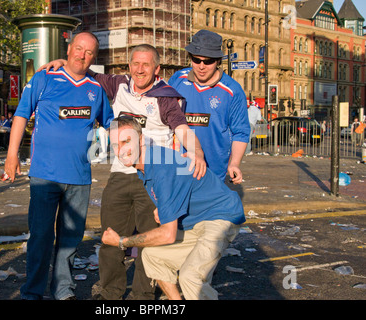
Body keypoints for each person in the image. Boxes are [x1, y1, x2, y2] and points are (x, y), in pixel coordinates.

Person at [39, 43, 206, 300]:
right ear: (129, 66)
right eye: (135, 64)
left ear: (156, 68)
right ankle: (110, 295)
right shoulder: (118, 84)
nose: (140, 70)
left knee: (150, 243)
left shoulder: (165, 97)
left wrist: (196, 152)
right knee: (109, 239)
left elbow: (183, 129)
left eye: (146, 64)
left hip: (151, 178)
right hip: (119, 175)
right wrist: (64, 60)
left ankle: (142, 296)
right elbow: (85, 71)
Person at [5, 31, 113, 300]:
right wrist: (11, 155)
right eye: (78, 48)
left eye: (89, 52)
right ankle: (33, 292)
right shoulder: (44, 78)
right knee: (40, 237)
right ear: (68, 49)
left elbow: (112, 122)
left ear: (94, 57)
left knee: (70, 240)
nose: (82, 55)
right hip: (45, 176)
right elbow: (20, 115)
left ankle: (63, 291)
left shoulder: (97, 88)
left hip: (79, 178)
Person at [102, 117, 245, 300]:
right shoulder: (144, 166)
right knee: (152, 256)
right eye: (115, 145)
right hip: (196, 221)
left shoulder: (161, 166)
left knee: (191, 276)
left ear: (140, 139)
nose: (121, 150)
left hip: (220, 217)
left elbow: (168, 234)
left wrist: (122, 241)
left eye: (126, 141)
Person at [168, 30, 250, 183]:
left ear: (218, 61)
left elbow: (241, 132)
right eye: (196, 60)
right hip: (178, 167)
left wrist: (234, 164)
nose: (201, 66)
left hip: (213, 171)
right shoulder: (178, 80)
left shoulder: (232, 91)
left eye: (208, 61)